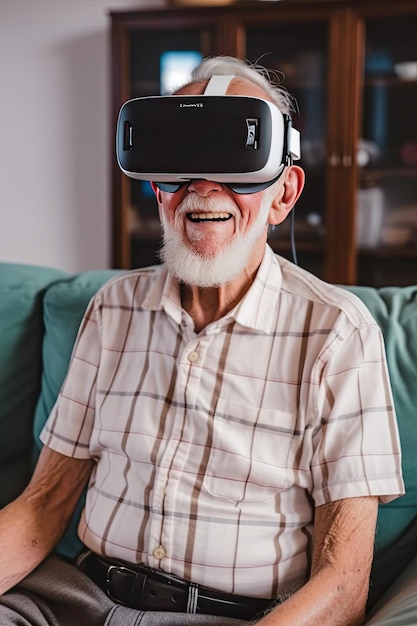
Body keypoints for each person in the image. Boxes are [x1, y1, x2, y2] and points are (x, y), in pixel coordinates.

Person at [0, 56, 404, 626]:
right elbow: (41, 510)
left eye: (233, 162)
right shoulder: (112, 309)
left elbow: (342, 583)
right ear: (157, 190)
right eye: (181, 163)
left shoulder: (337, 332)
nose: (203, 188)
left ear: (283, 194)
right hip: (71, 600)